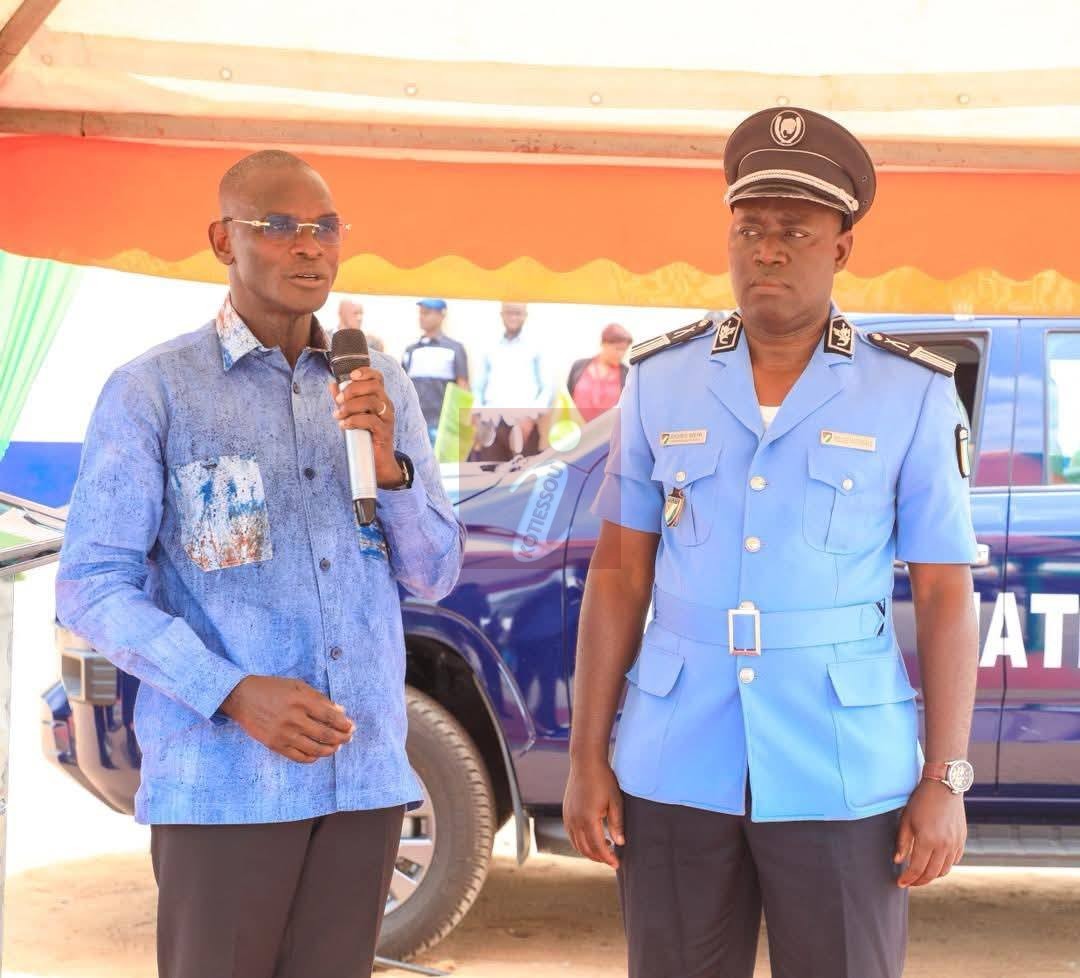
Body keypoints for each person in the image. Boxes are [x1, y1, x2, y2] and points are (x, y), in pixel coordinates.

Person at [563, 107, 979, 978]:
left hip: (839, 764)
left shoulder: (908, 391)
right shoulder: (660, 379)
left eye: (795, 230)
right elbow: (620, 572)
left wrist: (944, 777)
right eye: (749, 229)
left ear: (842, 248)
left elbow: (944, 592)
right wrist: (585, 756)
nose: (768, 251)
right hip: (677, 755)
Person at [55, 150, 465, 978]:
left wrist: (391, 469)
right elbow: (91, 585)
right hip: (224, 787)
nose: (309, 245)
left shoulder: (377, 384)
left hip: (362, 780)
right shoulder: (155, 391)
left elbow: (434, 575)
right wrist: (233, 692)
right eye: (279, 226)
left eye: (326, 227)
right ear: (223, 241)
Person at [471, 301, 551, 460]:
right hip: (492, 424)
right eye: (509, 312)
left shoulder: (536, 345)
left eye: (518, 313)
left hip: (524, 424)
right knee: (490, 472)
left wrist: (531, 417)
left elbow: (547, 387)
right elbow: (478, 386)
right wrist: (479, 415)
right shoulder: (489, 345)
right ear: (501, 315)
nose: (513, 317)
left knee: (524, 473)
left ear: (525, 316)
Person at [402, 298, 469, 442]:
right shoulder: (411, 350)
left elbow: (462, 388)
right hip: (413, 426)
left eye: (427, 313)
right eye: (420, 313)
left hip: (442, 427)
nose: (422, 317)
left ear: (441, 315)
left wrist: (460, 425)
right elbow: (402, 388)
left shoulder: (455, 348)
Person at [567, 322, 633, 422]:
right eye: (617, 349)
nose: (621, 354)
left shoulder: (627, 374)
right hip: (576, 428)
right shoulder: (578, 366)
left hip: (608, 430)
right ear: (603, 344)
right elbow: (567, 399)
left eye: (624, 350)